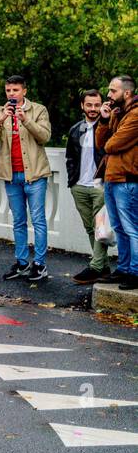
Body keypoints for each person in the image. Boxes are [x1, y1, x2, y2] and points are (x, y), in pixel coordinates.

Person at [0, 75, 52, 282]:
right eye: (8, 91)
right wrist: (2, 119)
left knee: (38, 221)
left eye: (15, 90)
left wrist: (26, 119)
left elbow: (45, 137)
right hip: (11, 176)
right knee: (18, 221)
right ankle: (22, 263)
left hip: (35, 175)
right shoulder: (0, 111)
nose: (11, 94)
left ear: (24, 91)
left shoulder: (38, 110)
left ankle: (40, 264)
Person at [97, 75, 138, 291]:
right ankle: (123, 269)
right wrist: (104, 120)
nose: (109, 95)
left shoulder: (136, 114)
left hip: (127, 179)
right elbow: (100, 142)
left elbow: (112, 145)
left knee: (132, 228)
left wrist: (109, 140)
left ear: (127, 93)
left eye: (113, 91)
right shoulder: (117, 113)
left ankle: (135, 271)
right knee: (119, 228)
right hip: (112, 177)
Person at [65, 89, 111, 284]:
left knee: (100, 227)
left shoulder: (109, 127)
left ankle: (95, 266)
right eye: (89, 105)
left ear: (102, 105)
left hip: (100, 186)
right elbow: (70, 157)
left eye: (97, 105)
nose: (93, 109)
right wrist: (72, 181)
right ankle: (104, 266)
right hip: (80, 187)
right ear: (82, 106)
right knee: (90, 228)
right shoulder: (76, 129)